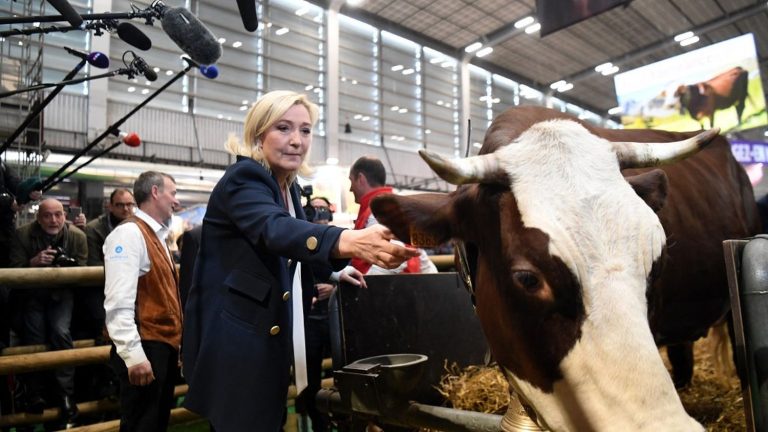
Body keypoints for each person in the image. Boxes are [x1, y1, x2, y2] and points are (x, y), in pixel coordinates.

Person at [182, 90, 419, 432]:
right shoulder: (244, 178)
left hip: (263, 339)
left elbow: (293, 246)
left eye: (305, 131)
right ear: (259, 133)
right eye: (283, 128)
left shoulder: (287, 185)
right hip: (239, 344)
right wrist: (347, 239)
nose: (296, 141)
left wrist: (338, 272)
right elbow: (275, 231)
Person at [103, 171, 182, 432]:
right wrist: (133, 355)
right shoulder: (128, 234)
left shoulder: (155, 234)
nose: (176, 201)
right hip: (145, 348)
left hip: (159, 346)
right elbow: (118, 302)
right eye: (173, 192)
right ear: (156, 192)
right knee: (142, 426)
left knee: (155, 424)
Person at [8, 198, 86, 424]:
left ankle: (65, 395)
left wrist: (66, 270)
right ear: (38, 218)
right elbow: (13, 272)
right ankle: (35, 394)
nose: (53, 220)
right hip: (32, 294)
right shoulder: (22, 235)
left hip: (63, 294)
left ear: (65, 215)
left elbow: (84, 272)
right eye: (47, 215)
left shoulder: (78, 237)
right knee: (35, 337)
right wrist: (32, 264)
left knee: (61, 332)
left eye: (58, 214)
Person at [348, 156, 437, 275]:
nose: (350, 188)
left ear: (360, 179)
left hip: (388, 289)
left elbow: (396, 252)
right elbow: (417, 251)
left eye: (351, 181)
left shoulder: (379, 210)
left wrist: (361, 285)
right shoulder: (398, 206)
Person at [297, 196, 338, 432]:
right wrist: (310, 292)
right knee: (309, 384)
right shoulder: (298, 239)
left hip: (333, 318)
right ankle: (319, 426)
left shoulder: (338, 240)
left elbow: (352, 272)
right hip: (309, 321)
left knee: (342, 375)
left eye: (324, 209)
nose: (319, 213)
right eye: (315, 209)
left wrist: (333, 288)